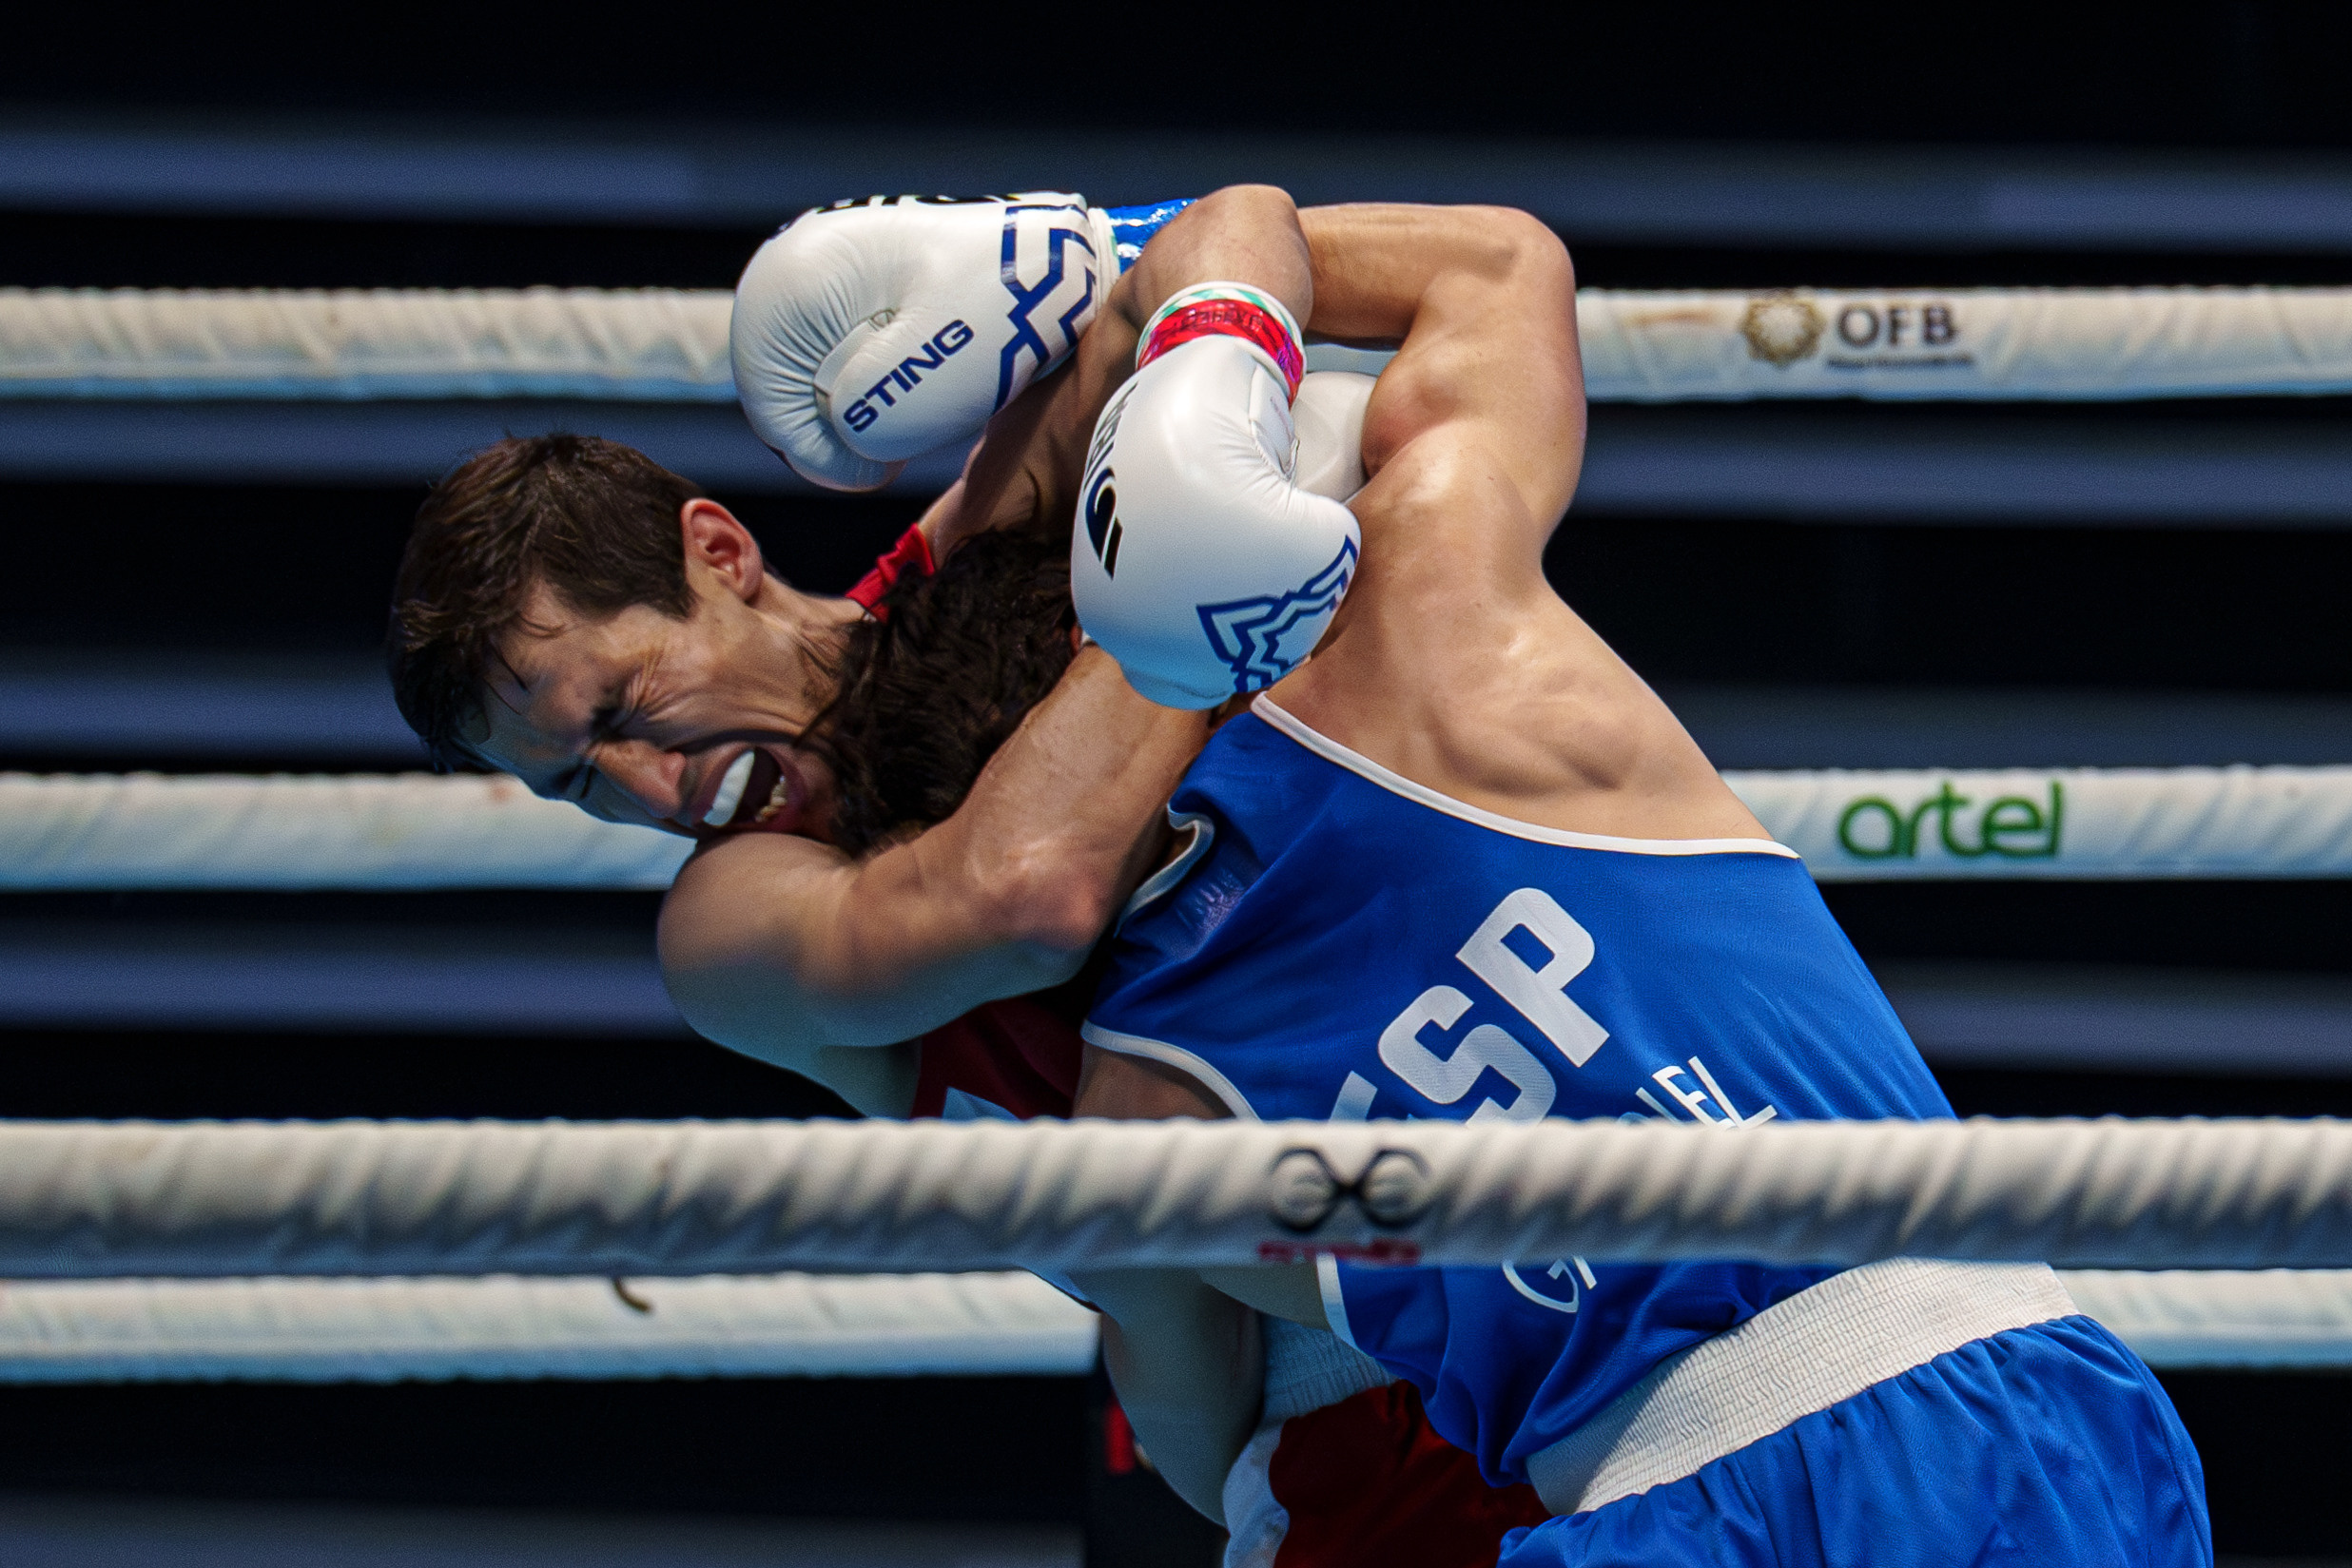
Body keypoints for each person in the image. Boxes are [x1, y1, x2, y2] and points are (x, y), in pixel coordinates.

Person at [386, 189, 1550, 1566]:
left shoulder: (998, 536)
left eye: (624, 707)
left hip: (1589, 1172)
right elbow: (1024, 894)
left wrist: (1114, 259)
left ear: (718, 554)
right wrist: (1208, 549)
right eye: (574, 781)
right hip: (1347, 1399)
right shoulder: (733, 923)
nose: (649, 787)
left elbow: (1453, 254)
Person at [1053, 201, 2214, 1564]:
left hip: (1680, 1484)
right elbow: (1493, 264)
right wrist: (1150, 289)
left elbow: (1207, 1452)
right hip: (1983, 1408)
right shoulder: (1442, 618)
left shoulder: (1128, 1102)